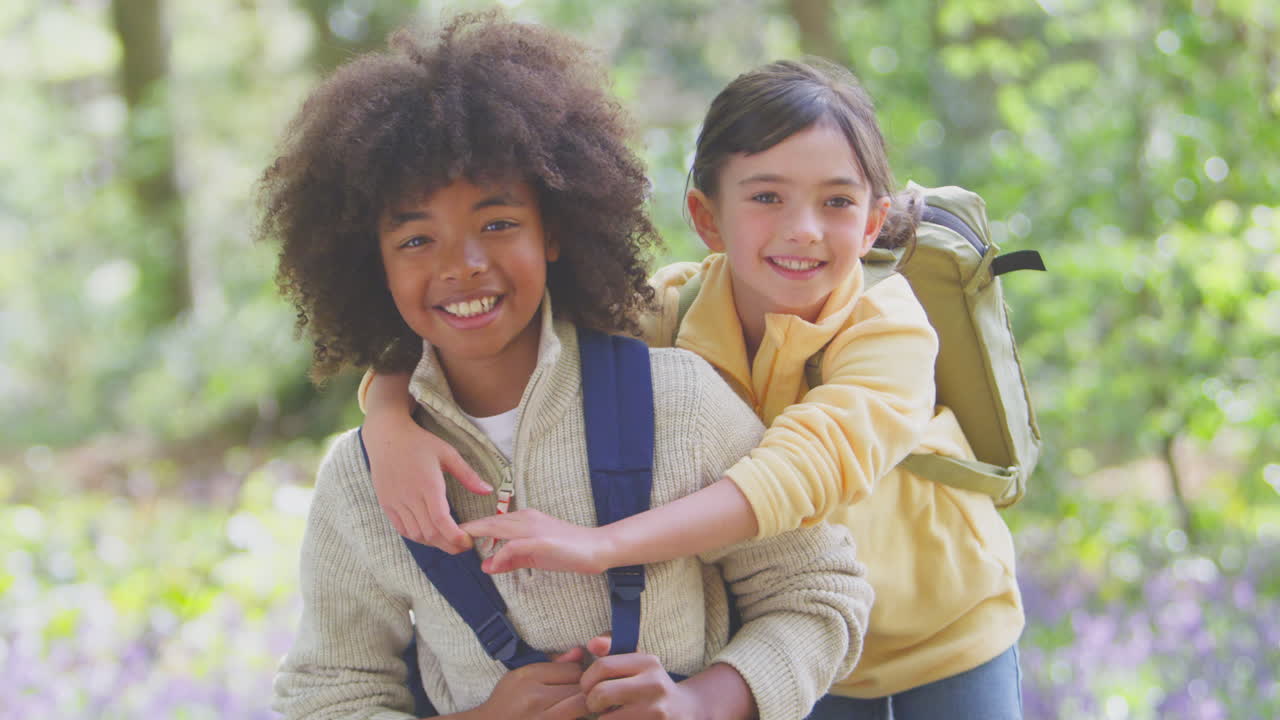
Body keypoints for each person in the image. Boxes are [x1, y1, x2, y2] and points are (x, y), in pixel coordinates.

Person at [362, 56, 1026, 720]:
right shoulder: (668, 312)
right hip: (792, 646)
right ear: (707, 217)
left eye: (837, 202)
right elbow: (495, 329)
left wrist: (604, 546)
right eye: (767, 197)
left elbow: (798, 474)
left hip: (948, 634)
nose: (803, 228)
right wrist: (389, 420)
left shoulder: (891, 329)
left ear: (874, 219)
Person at [262, 15, 873, 720]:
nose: (462, 265)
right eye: (417, 239)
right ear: (373, 264)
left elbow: (820, 597)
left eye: (497, 224)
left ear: (554, 229)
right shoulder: (362, 482)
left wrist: (701, 704)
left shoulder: (677, 402)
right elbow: (326, 695)